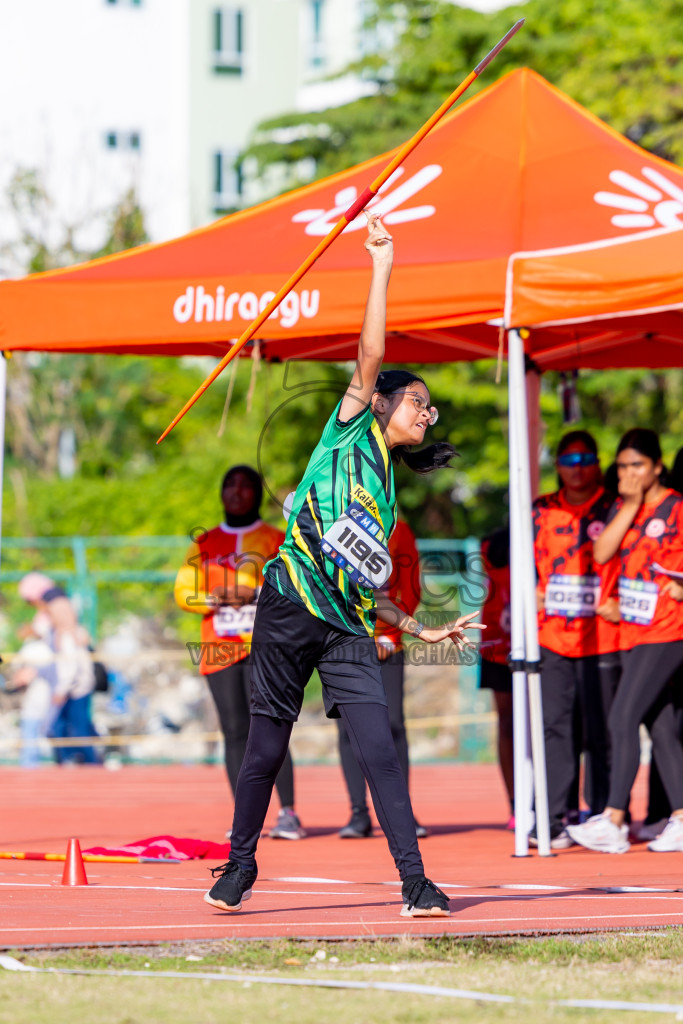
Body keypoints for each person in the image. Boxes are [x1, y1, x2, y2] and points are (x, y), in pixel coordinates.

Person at [204, 213, 483, 919]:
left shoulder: (389, 501)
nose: (430, 413)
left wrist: (417, 629)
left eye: (431, 407)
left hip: (347, 629)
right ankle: (239, 865)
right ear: (382, 402)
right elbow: (370, 349)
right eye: (420, 402)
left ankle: (416, 885)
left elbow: (366, 584)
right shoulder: (349, 426)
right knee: (266, 747)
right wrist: (381, 265)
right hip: (288, 609)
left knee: (379, 747)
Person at [568, 428, 683, 853]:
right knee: (662, 725)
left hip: (669, 629)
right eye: (621, 466)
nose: (628, 472)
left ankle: (614, 818)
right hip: (634, 631)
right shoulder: (624, 506)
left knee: (621, 716)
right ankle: (681, 816)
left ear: (656, 466)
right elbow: (600, 554)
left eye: (637, 465)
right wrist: (631, 504)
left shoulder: (677, 508)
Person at [174, 465, 304, 840]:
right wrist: (215, 599)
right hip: (218, 647)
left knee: (273, 727)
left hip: (267, 646)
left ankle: (289, 813)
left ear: (258, 494)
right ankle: (243, 819)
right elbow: (183, 591)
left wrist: (256, 595)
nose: (237, 492)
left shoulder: (276, 539)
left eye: (246, 485)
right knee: (234, 732)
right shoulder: (204, 543)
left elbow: (296, 585)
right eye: (229, 484)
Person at [532, 431, 622, 848]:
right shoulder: (540, 511)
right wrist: (531, 589)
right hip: (553, 637)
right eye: (569, 459)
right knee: (555, 729)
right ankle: (553, 817)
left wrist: (618, 599)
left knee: (601, 730)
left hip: (603, 638)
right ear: (558, 467)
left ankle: (603, 814)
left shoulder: (614, 506)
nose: (578, 466)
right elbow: (524, 565)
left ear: (598, 462)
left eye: (586, 457)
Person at [336, 516, 427, 839]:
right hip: (342, 643)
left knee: (394, 725)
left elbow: (410, 584)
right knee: (348, 728)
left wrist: (390, 635)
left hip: (388, 642)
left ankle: (403, 812)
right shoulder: (330, 521)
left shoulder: (399, 528)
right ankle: (358, 813)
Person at [18, 573, 99, 764]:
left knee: (76, 730)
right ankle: (72, 765)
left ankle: (93, 767)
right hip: (67, 687)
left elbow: (70, 667)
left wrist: (61, 690)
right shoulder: (58, 632)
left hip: (74, 688)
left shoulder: (68, 634)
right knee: (63, 729)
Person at [478, 525, 514, 828]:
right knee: (507, 723)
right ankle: (516, 803)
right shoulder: (492, 544)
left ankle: (551, 799)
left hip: (537, 643)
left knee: (543, 724)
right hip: (499, 644)